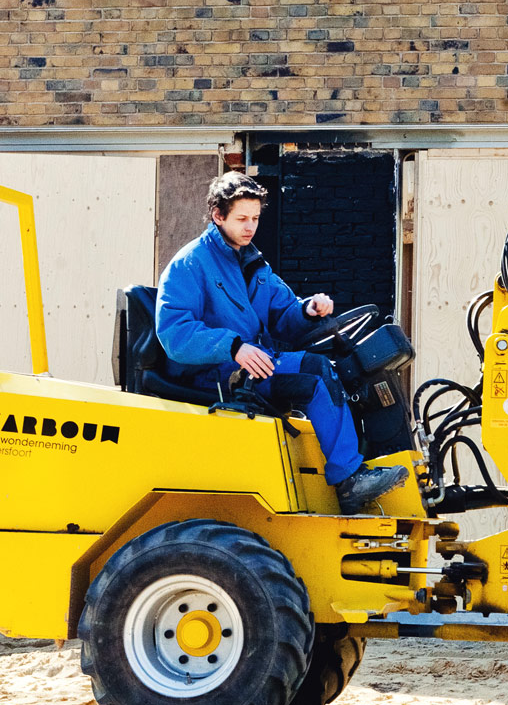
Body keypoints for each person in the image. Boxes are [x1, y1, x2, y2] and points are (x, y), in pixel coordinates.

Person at [155, 172, 407, 515]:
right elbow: (174, 334)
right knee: (316, 374)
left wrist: (307, 310)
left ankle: (358, 470)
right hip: (216, 373)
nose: (250, 227)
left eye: (255, 218)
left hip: (256, 363)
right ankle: (349, 480)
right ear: (218, 216)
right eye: (242, 219)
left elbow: (283, 315)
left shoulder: (253, 263)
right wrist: (233, 347)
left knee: (334, 370)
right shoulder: (190, 264)